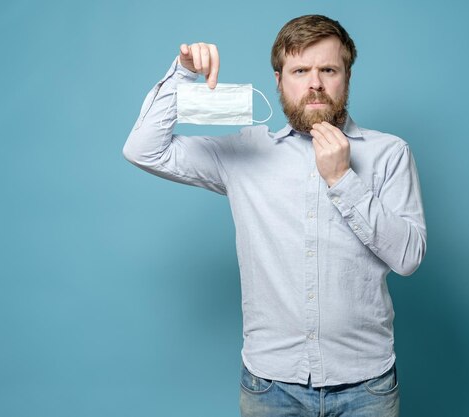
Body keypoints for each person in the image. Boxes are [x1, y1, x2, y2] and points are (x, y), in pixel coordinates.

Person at [123, 14, 426, 417]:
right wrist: (182, 75)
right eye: (301, 70)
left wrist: (342, 179)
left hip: (366, 387)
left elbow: (408, 258)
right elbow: (144, 150)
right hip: (271, 388)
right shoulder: (245, 152)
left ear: (347, 78)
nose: (315, 83)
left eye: (328, 70)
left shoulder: (390, 153)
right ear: (279, 80)